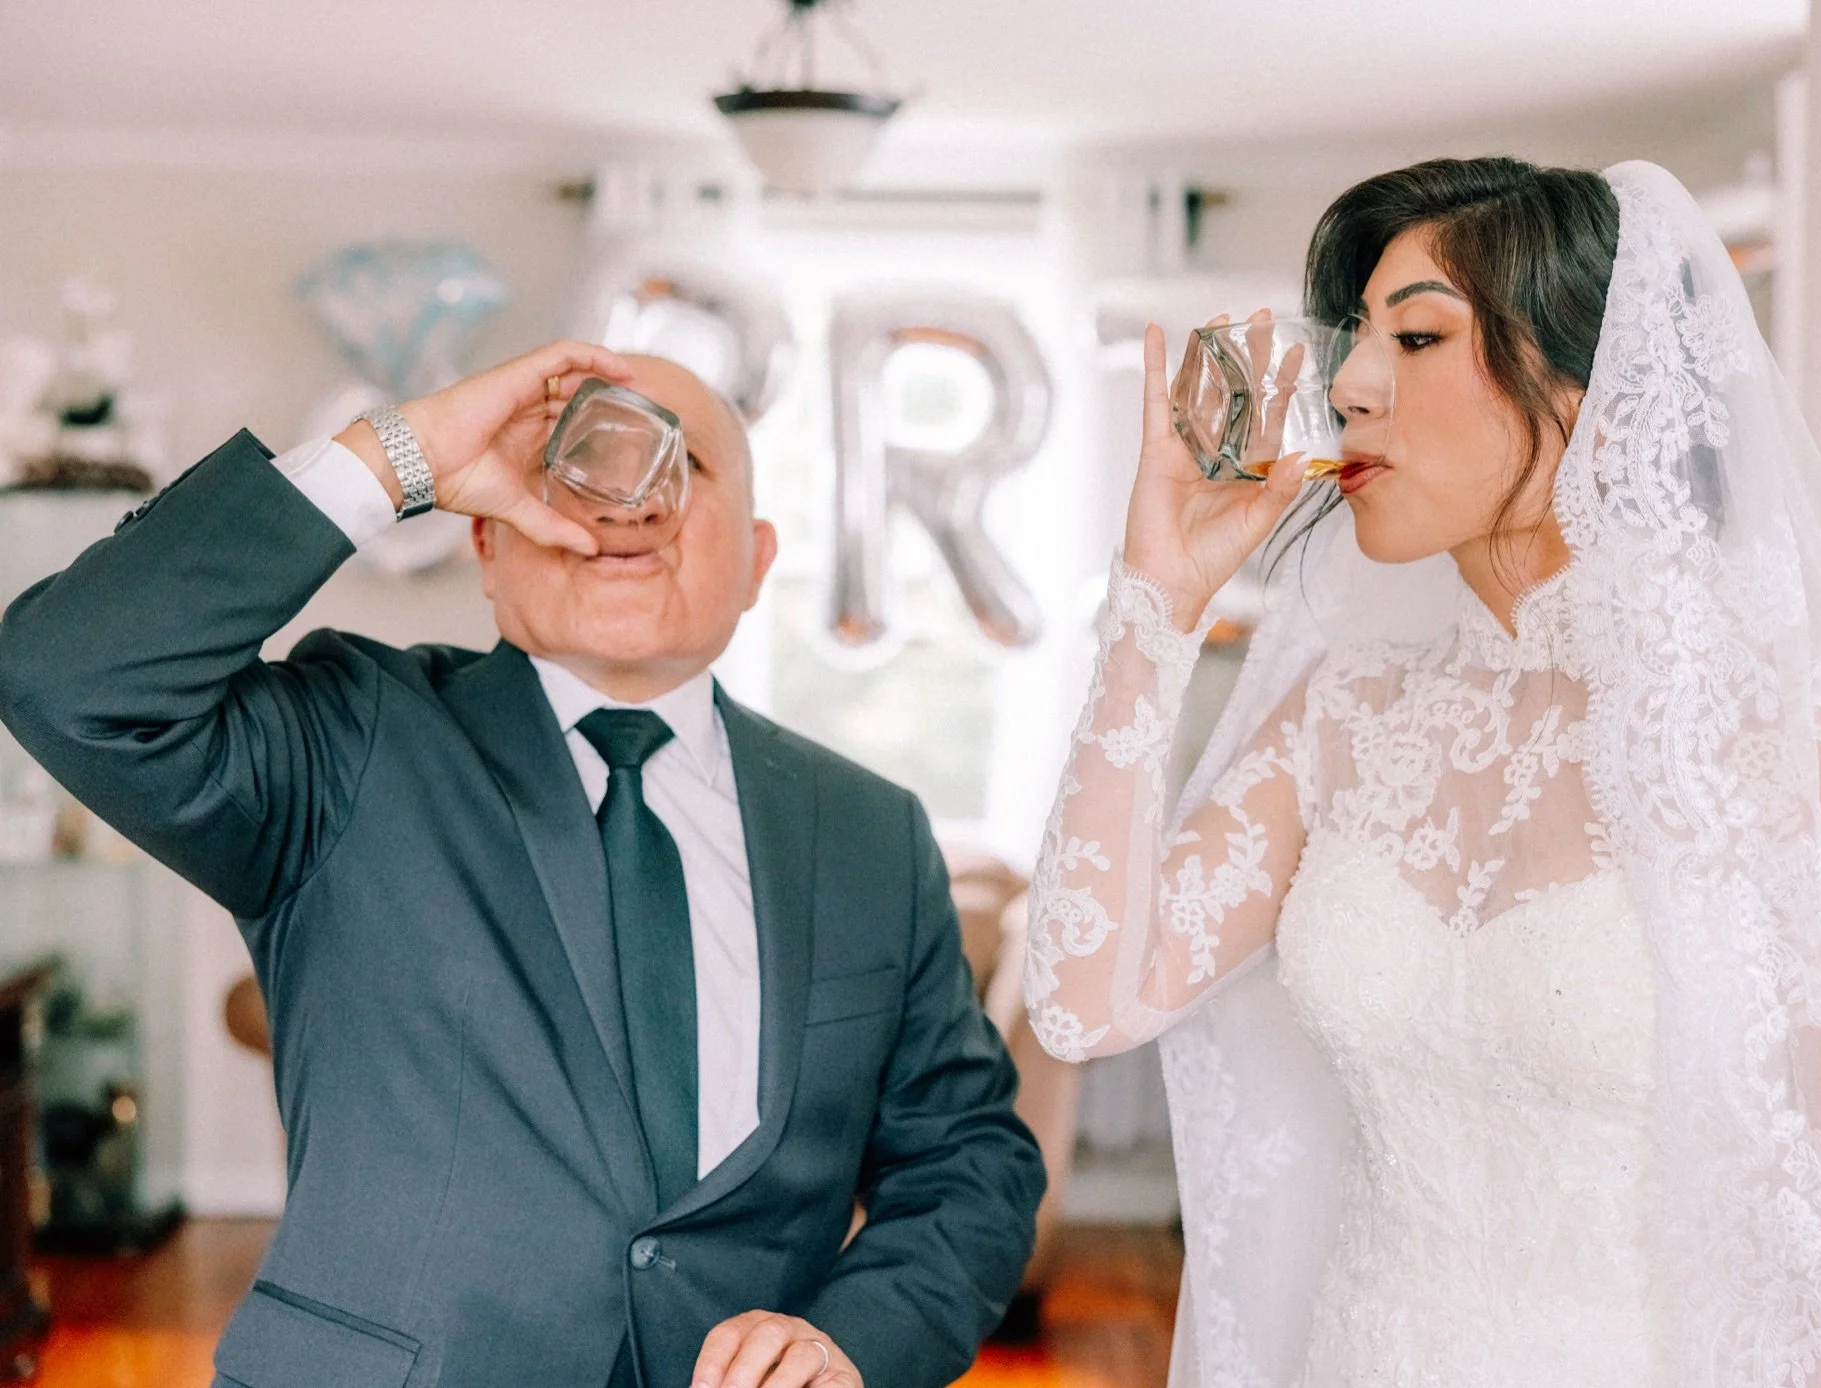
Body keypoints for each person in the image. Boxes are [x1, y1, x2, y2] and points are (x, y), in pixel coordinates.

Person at [1026, 158, 1821, 1388]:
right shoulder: (1347, 717)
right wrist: (1154, 604)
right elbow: (1082, 999)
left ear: (1590, 386)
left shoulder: (1800, 732)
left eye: (1416, 336)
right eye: (1355, 340)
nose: (1351, 387)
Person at [0, 342, 1045, 1388]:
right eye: (579, 461)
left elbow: (968, 1164)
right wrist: (399, 456)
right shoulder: (349, 742)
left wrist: (850, 1339)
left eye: (682, 466)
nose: (629, 502)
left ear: (759, 557)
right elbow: (66, 674)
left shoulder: (871, 831)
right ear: (488, 546)